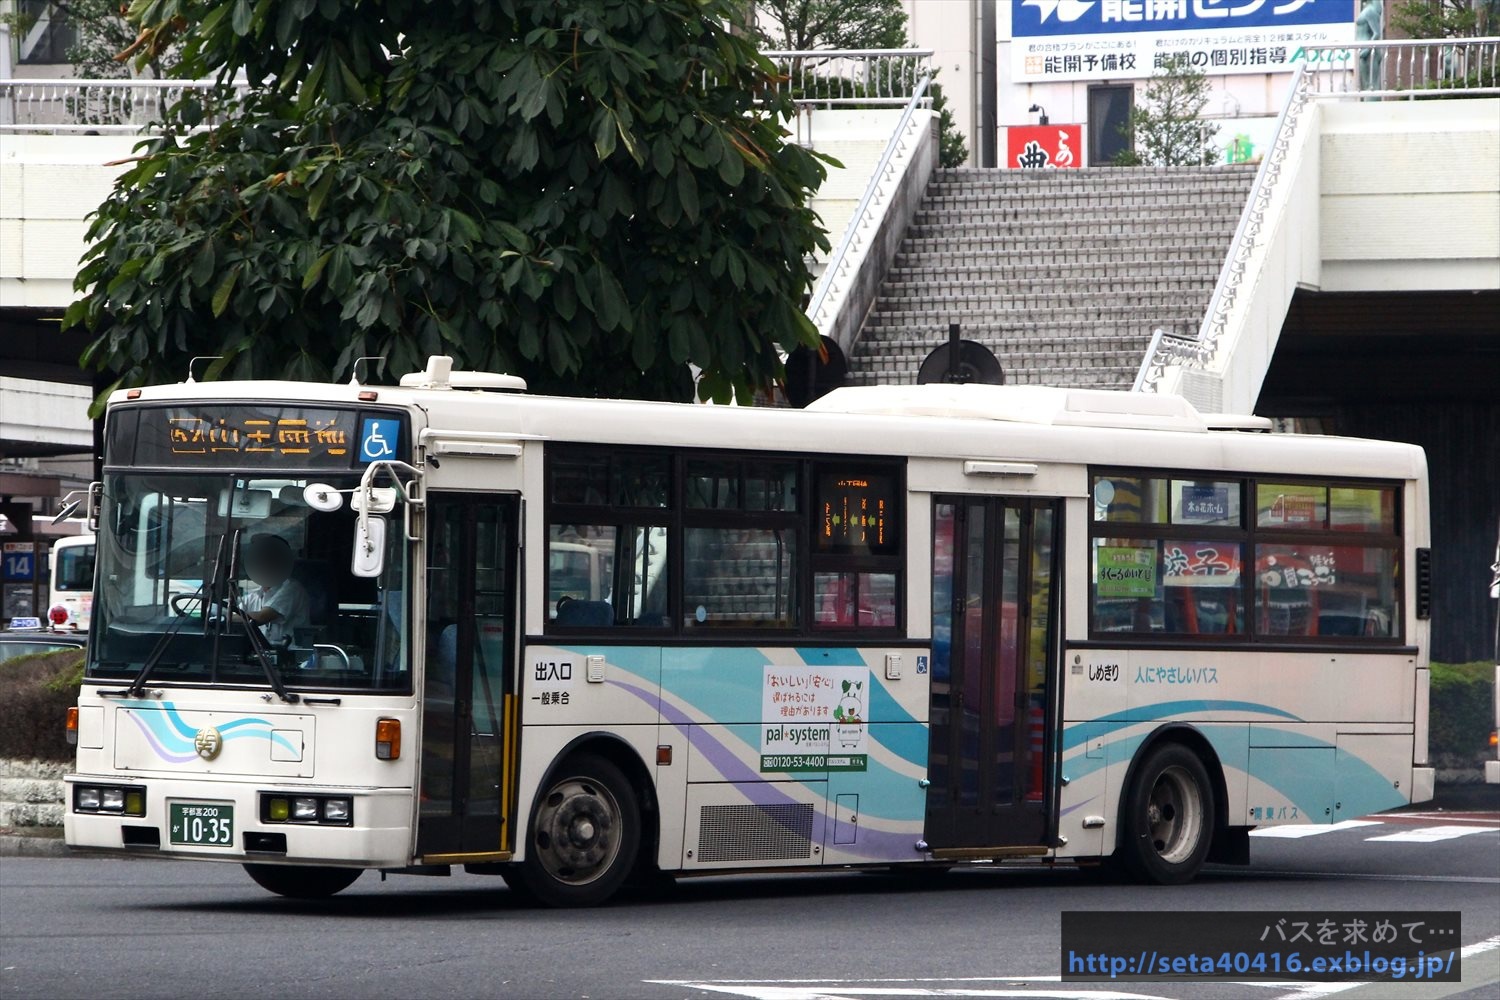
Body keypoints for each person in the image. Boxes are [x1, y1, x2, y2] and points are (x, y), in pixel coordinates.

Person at [237, 534, 310, 646]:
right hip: (261, 657)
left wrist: (229, 617)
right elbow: (232, 611)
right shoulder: (255, 596)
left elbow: (261, 617)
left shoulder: (292, 588)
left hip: (292, 659)